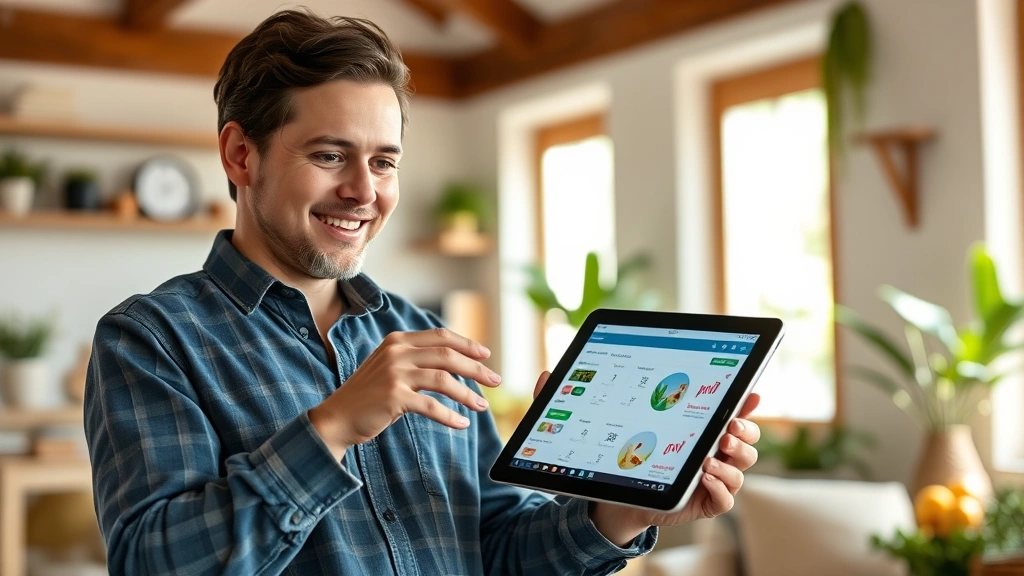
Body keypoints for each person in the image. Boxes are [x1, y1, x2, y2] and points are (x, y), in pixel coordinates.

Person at [84, 9, 762, 575]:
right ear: (240, 155)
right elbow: (151, 562)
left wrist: (624, 513)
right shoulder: (151, 339)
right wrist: (332, 428)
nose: (364, 190)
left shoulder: (423, 336)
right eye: (329, 155)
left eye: (383, 161)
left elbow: (494, 548)